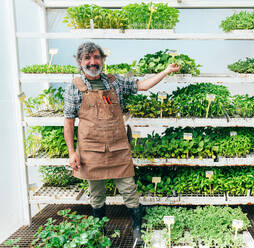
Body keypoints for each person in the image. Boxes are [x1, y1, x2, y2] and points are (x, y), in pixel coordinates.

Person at [63, 42, 181, 245]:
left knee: (129, 191)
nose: (93, 62)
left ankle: (137, 231)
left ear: (102, 59)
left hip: (118, 148)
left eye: (96, 57)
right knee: (96, 195)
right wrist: (72, 152)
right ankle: (100, 233)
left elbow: (142, 85)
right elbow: (68, 122)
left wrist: (166, 71)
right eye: (88, 58)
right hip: (91, 151)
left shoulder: (114, 82)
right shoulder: (75, 88)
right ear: (80, 61)